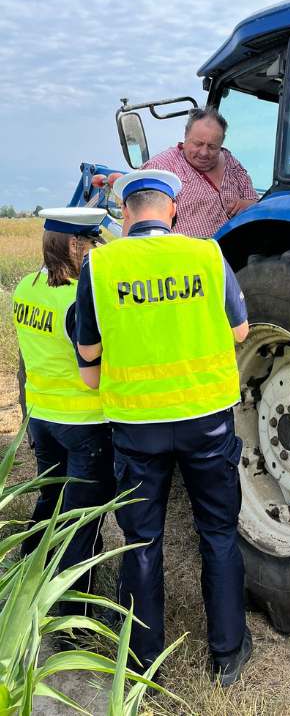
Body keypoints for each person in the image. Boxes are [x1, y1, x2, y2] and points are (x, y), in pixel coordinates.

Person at [74, 168, 254, 684]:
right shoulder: (207, 255)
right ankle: (227, 655)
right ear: (172, 211)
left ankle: (143, 660)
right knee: (218, 533)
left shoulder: (101, 265)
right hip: (207, 425)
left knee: (142, 539)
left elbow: (88, 354)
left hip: (137, 428)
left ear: (126, 213)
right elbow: (240, 331)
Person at [12, 208, 113, 629]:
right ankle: (73, 619)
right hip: (83, 423)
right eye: (91, 241)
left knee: (50, 497)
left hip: (41, 418)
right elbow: (93, 359)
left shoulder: (25, 287)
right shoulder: (79, 298)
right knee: (80, 521)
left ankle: (27, 567)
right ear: (74, 245)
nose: (93, 249)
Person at [138, 106, 258, 238]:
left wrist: (249, 205)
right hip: (188, 255)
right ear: (186, 136)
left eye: (212, 147)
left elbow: (255, 202)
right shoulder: (160, 168)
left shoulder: (231, 162)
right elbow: (143, 224)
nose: (204, 152)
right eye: (198, 144)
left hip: (237, 252)